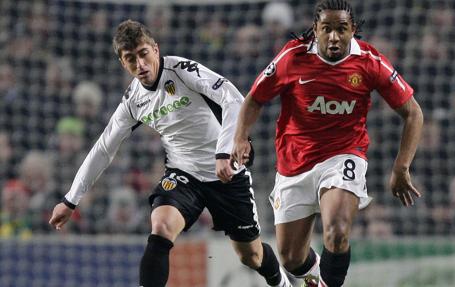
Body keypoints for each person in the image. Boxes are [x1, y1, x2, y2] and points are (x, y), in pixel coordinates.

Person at [49, 20, 290, 287]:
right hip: (182, 173)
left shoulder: (182, 70)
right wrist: (71, 200)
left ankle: (280, 281)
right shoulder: (132, 102)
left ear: (155, 49)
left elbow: (232, 98)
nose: (140, 65)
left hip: (226, 172)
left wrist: (224, 151)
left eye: (143, 54)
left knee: (251, 256)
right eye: (130, 59)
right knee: (161, 225)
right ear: (122, 63)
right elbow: (104, 148)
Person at [232, 1, 424, 286]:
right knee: (291, 258)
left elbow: (413, 113)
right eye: (327, 29)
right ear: (315, 30)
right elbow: (255, 98)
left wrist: (401, 167)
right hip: (294, 161)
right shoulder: (292, 57)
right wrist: (240, 137)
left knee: (337, 230)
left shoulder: (370, 61)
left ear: (353, 30)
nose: (334, 37)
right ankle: (318, 278)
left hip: (344, 154)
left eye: (341, 29)